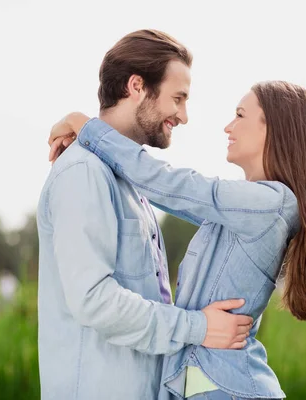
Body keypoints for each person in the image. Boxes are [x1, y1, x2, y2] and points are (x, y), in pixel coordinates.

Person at [48, 80, 306, 399]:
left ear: (274, 128)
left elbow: (168, 184)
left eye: (240, 115)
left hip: (228, 388)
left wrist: (86, 127)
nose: (228, 126)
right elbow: (162, 191)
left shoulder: (269, 205)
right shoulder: (248, 208)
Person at [36, 29, 253, 400]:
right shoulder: (84, 172)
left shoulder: (129, 179)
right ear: (137, 86)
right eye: (178, 98)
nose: (183, 116)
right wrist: (197, 327)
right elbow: (94, 299)